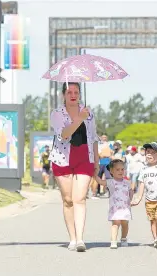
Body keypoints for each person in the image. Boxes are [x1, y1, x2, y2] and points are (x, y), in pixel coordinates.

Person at [49, 82, 100, 252]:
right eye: (69, 92)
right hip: (62, 159)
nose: (73, 95)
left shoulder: (89, 113)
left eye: (76, 92)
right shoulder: (57, 114)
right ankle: (72, 238)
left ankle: (80, 239)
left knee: (80, 198)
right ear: (63, 94)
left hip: (84, 158)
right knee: (68, 200)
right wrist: (79, 119)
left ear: (79, 94)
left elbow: (93, 138)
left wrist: (96, 162)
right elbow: (63, 135)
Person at [95, 159, 133, 249]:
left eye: (122, 169)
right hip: (115, 209)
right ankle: (113, 241)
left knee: (125, 224)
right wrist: (94, 174)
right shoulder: (110, 182)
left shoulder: (127, 182)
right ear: (111, 171)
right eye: (117, 169)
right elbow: (100, 182)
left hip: (125, 208)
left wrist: (131, 198)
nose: (120, 171)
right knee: (115, 224)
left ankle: (123, 238)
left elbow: (131, 191)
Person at [95, 134, 112, 199]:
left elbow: (110, 153)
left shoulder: (109, 144)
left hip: (107, 163)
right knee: (98, 177)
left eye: (105, 137)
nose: (104, 138)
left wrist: (104, 154)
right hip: (100, 163)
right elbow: (99, 154)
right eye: (103, 137)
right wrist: (105, 154)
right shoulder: (99, 145)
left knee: (108, 177)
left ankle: (109, 191)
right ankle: (98, 191)